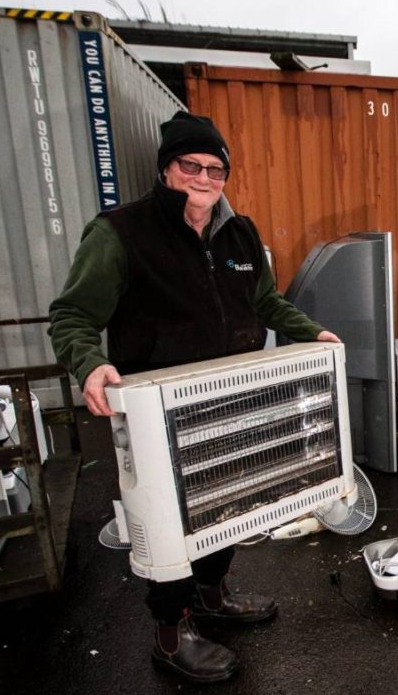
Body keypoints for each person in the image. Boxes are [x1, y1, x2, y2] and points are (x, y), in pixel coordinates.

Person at [49, 111, 339, 684]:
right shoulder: (119, 233)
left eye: (216, 169)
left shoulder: (240, 233)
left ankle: (211, 594)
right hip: (159, 411)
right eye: (191, 165)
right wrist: (90, 364)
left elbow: (265, 303)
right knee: (167, 519)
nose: (204, 177)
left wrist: (311, 331)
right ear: (167, 169)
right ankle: (170, 629)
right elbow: (73, 315)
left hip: (233, 396)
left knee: (228, 505)